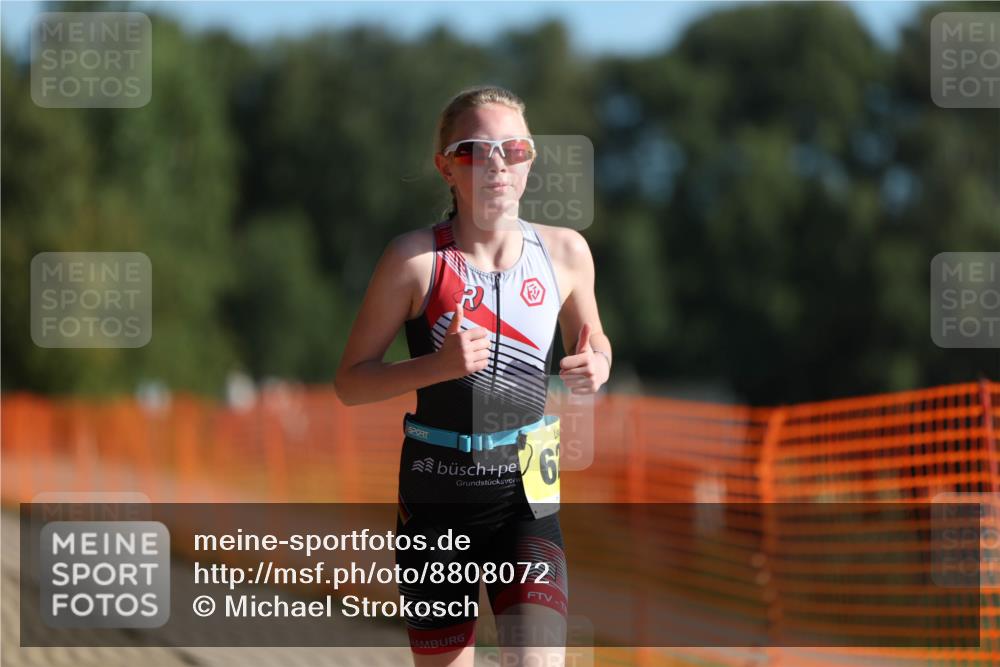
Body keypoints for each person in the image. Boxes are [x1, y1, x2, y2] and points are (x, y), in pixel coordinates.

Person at [334, 85, 612, 667]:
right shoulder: (415, 261)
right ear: (446, 168)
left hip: (527, 493)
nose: (496, 163)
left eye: (514, 148)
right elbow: (351, 382)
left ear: (530, 160)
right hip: (438, 494)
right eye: (473, 150)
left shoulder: (565, 252)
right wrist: (437, 366)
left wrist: (596, 364)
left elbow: (596, 341)